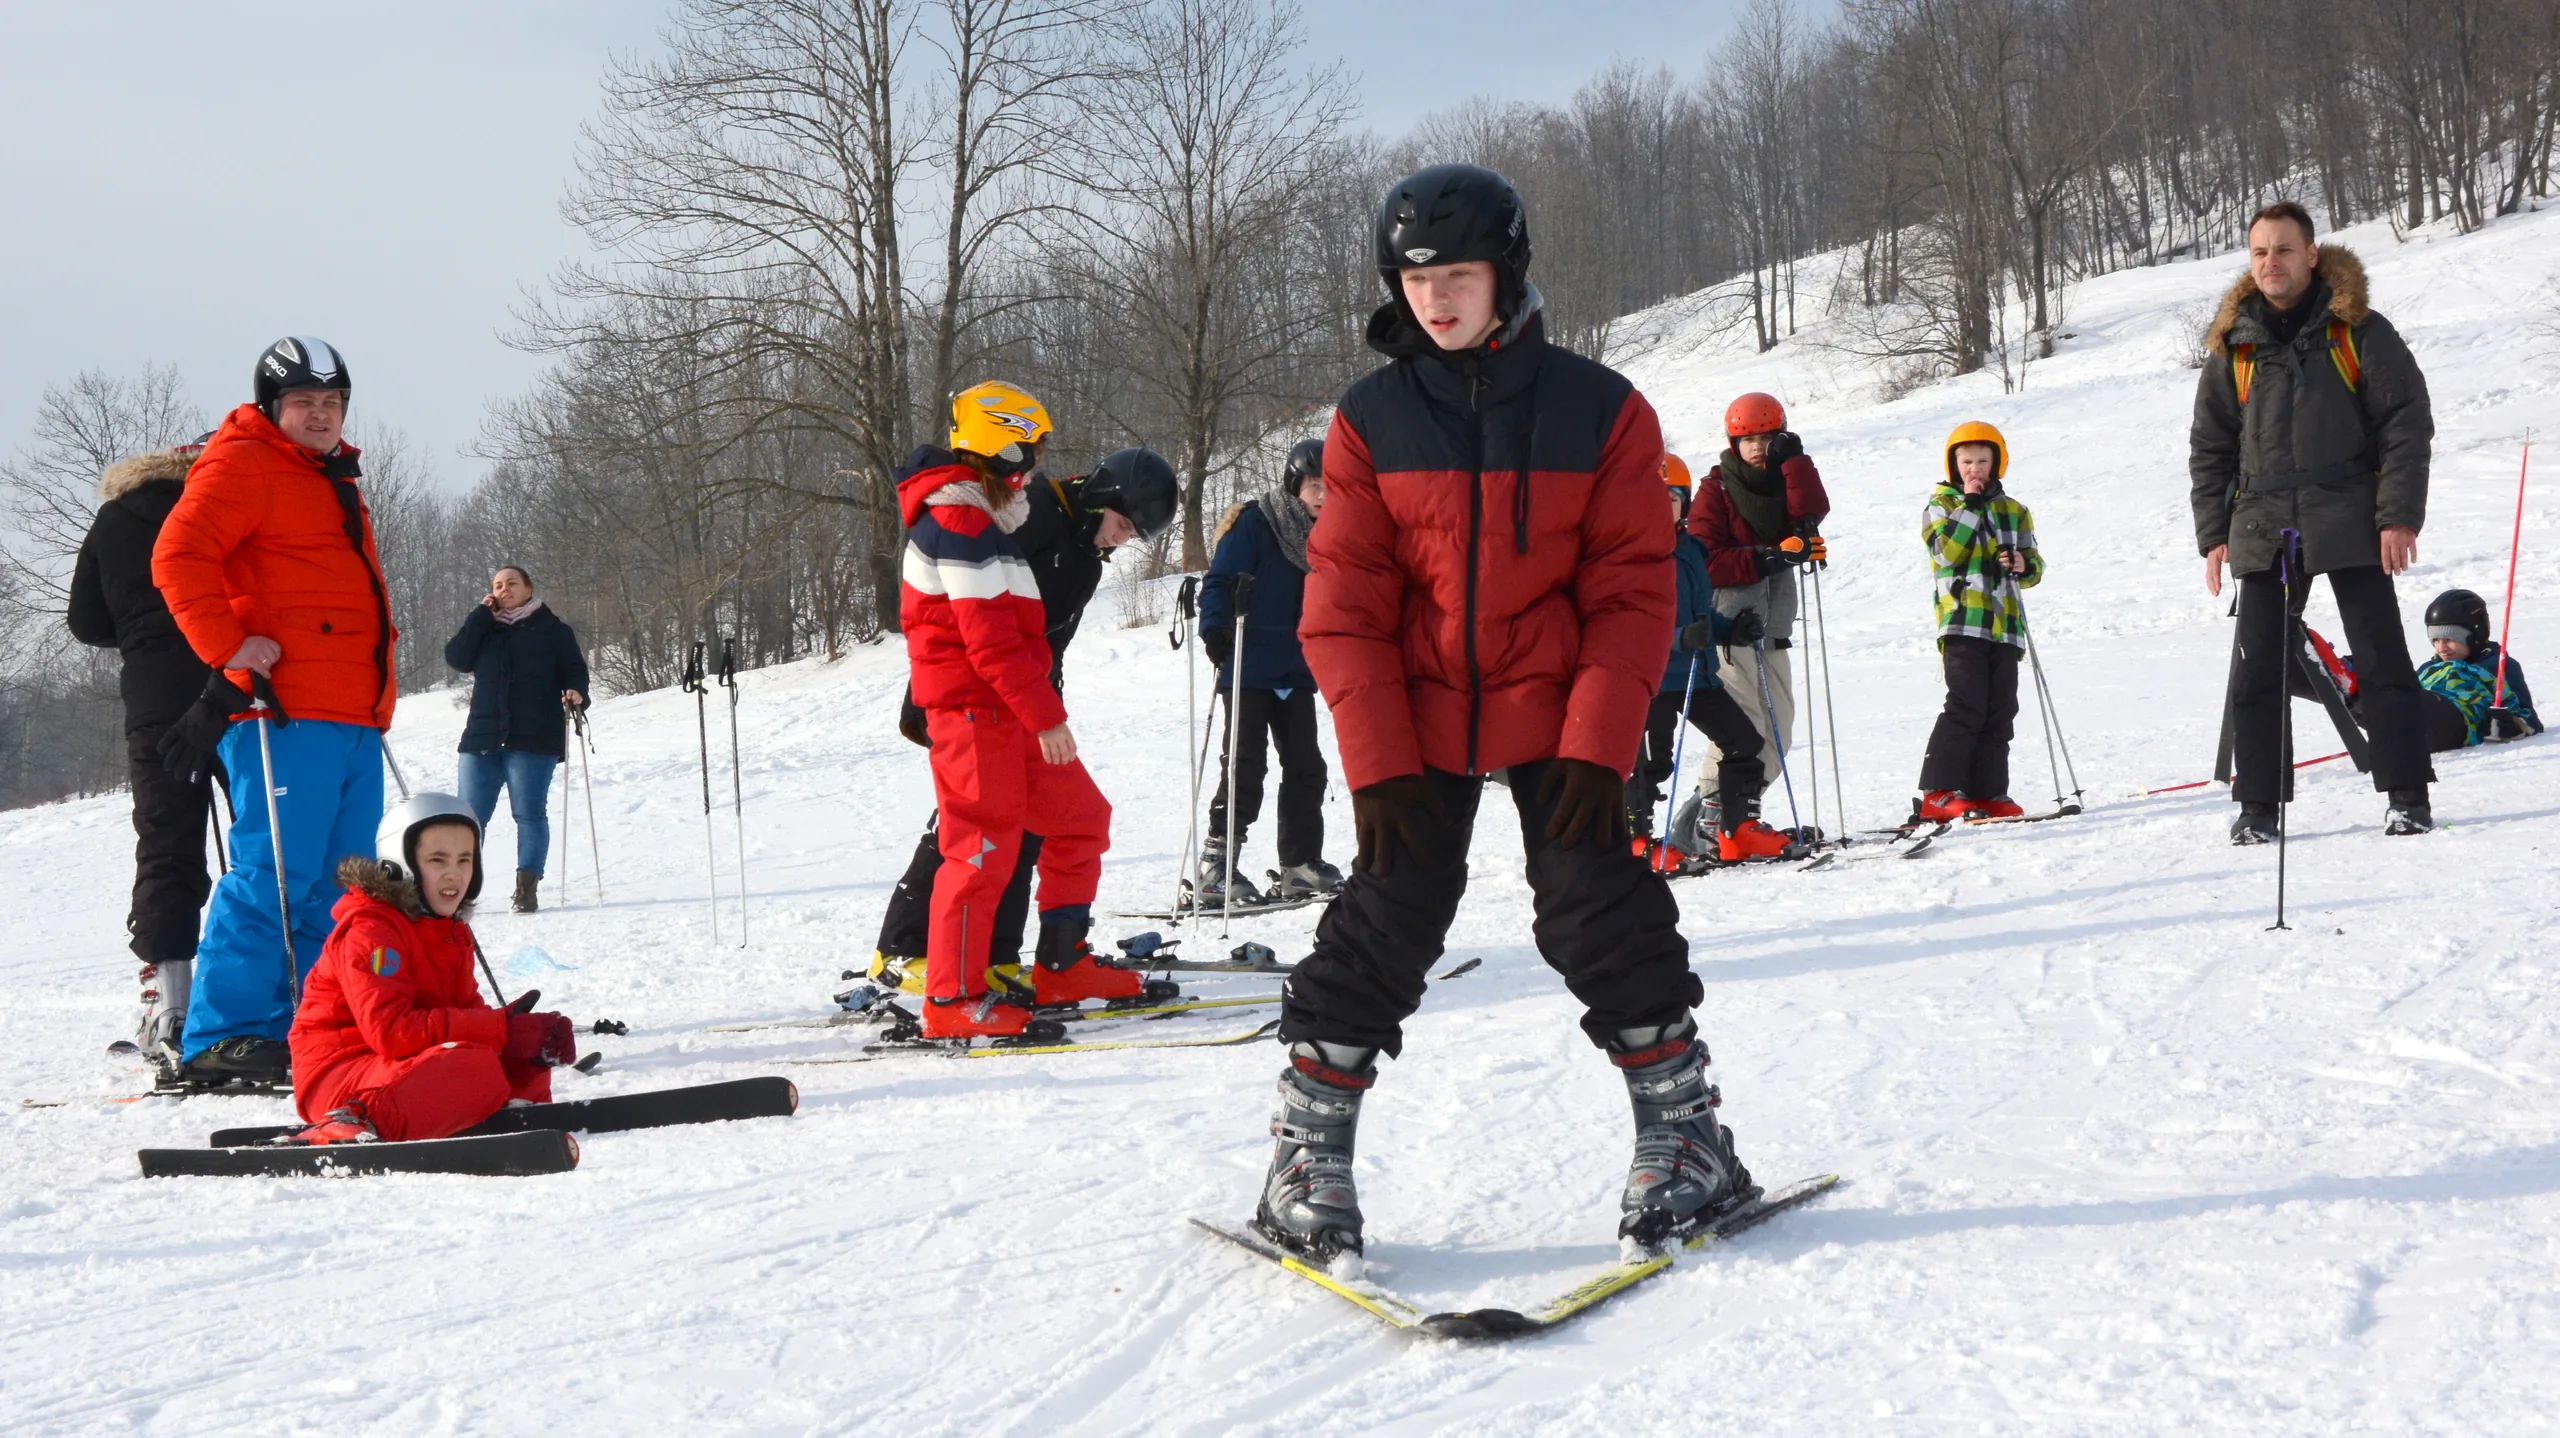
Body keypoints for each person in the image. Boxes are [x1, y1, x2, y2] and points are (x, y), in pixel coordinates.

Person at [1251, 163, 1756, 1263]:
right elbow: (1345, 608)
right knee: (1391, 906)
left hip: (1561, 704)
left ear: (1507, 273)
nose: (1434, 298)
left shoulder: (1600, 410)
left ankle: (1686, 1134)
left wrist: (1597, 746)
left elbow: (1631, 594)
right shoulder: (1372, 419)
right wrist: (1378, 764)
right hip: (1420, 709)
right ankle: (1306, 1150)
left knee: (1593, 900)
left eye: (1459, 275)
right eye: (1415, 277)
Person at [150, 337, 397, 1087]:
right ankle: (222, 1033)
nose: (321, 415)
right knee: (274, 875)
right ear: (271, 406)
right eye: (304, 402)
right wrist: (229, 649)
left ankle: (312, 1022)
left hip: (352, 709)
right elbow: (178, 554)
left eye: (333, 402)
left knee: (341, 884)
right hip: (283, 711)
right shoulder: (244, 461)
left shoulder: (330, 473)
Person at [868, 440, 1180, 1002]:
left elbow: (1044, 639)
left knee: (1044, 823)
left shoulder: (1082, 548)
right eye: (1122, 524)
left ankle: (1008, 956)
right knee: (974, 830)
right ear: (1102, 499)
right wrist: (953, 701)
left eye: (1133, 534)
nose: (1122, 538)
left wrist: (1045, 707)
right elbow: (975, 616)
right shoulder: (1034, 514)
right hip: (973, 698)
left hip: (1022, 701)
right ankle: (903, 949)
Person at [2191, 201, 2437, 842]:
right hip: (2262, 522)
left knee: (2380, 657)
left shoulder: (2358, 331)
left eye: (2283, 249)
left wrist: (2398, 516)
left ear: (2311, 255)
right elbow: (2211, 447)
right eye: (2260, 252)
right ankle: (2258, 808)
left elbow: (2405, 424)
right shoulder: (2235, 346)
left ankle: (2407, 795)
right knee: (2258, 671)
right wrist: (2214, 535)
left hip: (2351, 512)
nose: (2270, 262)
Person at [897, 382, 1134, 1040]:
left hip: (1006, 709)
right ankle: (951, 1000)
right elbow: (990, 642)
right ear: (1002, 451)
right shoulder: (958, 522)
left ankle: (1063, 965)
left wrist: (1035, 711)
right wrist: (1046, 716)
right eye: (1029, 456)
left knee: (1081, 819)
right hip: (974, 713)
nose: (1033, 471)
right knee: (981, 853)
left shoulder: (983, 522)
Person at [286, 793, 577, 1144]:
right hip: (339, 1074)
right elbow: (391, 1031)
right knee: (473, 1067)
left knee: (505, 1058)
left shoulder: (447, 932)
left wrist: (521, 1038)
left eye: (465, 860)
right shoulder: (371, 929)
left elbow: (465, 1015)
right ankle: (355, 1121)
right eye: (437, 860)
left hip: (399, 1067)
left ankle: (505, 1108)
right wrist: (499, 1028)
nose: (454, 874)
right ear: (399, 865)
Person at [66, 437, 218, 1076]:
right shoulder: (218, 502)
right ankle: (275, 990)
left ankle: (168, 1007)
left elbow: (84, 621)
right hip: (235, 684)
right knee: (263, 840)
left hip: (156, 699)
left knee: (166, 844)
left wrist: (138, 631)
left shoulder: (114, 517)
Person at [1194, 438, 1343, 905]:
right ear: (1294, 485)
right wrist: (1214, 627)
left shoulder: (1331, 535)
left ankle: (1300, 864)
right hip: (1247, 661)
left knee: (1306, 767)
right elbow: (1219, 579)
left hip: (1295, 667)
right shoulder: (1258, 522)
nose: (1323, 496)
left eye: (1331, 486)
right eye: (1314, 485)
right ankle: (1216, 866)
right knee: (1245, 766)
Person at [1684, 392, 1829, 835]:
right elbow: (1704, 559)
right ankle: (1711, 821)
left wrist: (1796, 463)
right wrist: (1768, 558)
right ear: (1733, 443)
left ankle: (1737, 818)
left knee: (1777, 733)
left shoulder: (1785, 487)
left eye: (1767, 439)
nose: (1757, 448)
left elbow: (1812, 510)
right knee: (1742, 730)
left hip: (1773, 629)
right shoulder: (1716, 490)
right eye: (1748, 440)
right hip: (1729, 630)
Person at [1626, 454, 1775, 863]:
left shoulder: (1691, 549)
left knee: (1745, 742)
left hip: (1698, 673)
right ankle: (1634, 841)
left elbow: (1700, 613)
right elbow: (1629, 622)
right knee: (1649, 763)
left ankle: (1737, 830)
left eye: (1672, 499)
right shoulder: (1632, 554)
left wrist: (1730, 629)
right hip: (1655, 680)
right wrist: (1679, 638)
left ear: (1685, 503)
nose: (1663, 507)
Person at [1912, 422, 2045, 822]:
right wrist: (1969, 505)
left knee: (2000, 709)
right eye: (1967, 462)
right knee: (1967, 704)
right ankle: (1938, 791)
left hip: (2005, 625)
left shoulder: (2014, 510)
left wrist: (2023, 565)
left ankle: (1987, 791)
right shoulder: (1941, 506)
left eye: (1983, 461)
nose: (1975, 469)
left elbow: (2034, 565)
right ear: (1953, 465)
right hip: (1963, 620)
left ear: (1997, 463)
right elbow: (1946, 553)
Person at [445, 565, 591, 913]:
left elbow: (574, 669)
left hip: (533, 737)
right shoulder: (485, 628)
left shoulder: (554, 631)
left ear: (529, 589)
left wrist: (576, 691)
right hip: (482, 737)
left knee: (528, 814)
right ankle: (460, 891)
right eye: (497, 585)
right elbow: (457, 658)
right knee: (468, 820)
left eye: (511, 583)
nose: (504, 589)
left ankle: (526, 890)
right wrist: (480, 615)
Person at [2413, 588, 2541, 749]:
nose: (2441, 648)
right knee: (2396, 697)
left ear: (2475, 636)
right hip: (2420, 717)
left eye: (2449, 639)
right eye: (2436, 640)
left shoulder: (2498, 665)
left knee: (2417, 705)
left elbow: (2531, 722)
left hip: (2459, 719)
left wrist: (2513, 724)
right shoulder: (2429, 668)